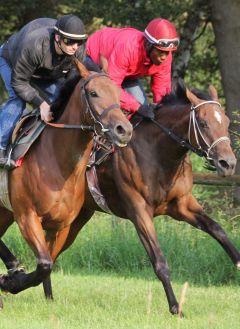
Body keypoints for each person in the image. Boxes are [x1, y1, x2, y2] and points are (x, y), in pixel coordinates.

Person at [0, 14, 87, 166]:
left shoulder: (77, 52)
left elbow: (70, 87)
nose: (75, 46)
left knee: (59, 102)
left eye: (79, 42)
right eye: (70, 41)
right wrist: (41, 104)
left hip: (44, 72)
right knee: (18, 100)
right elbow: (19, 82)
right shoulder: (35, 45)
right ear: (58, 38)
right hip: (11, 62)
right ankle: (1, 146)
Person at [85, 17, 179, 119]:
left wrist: (163, 113)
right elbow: (111, 87)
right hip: (95, 58)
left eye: (167, 52)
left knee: (144, 112)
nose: (164, 57)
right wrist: (137, 107)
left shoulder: (166, 57)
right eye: (160, 51)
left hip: (125, 73)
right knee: (110, 107)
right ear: (148, 44)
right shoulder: (127, 48)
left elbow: (161, 90)